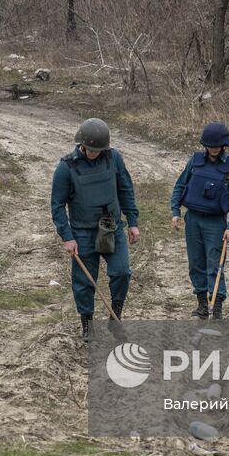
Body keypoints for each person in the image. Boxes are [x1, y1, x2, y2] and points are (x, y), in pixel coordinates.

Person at [51, 118, 141, 338]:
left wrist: (133, 221)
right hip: (83, 232)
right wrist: (67, 237)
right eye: (90, 149)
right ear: (82, 144)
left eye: (97, 150)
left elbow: (125, 189)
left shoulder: (114, 158)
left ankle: (115, 317)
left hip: (112, 227)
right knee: (84, 282)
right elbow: (57, 206)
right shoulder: (66, 167)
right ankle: (87, 325)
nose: (93, 153)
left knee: (122, 272)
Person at [171, 122, 229, 320]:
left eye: (217, 145)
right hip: (193, 219)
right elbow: (180, 186)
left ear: (224, 146)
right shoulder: (194, 161)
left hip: (216, 223)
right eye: (210, 145)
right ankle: (202, 305)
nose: (213, 148)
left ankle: (217, 308)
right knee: (196, 263)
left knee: (214, 265)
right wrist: (175, 211)